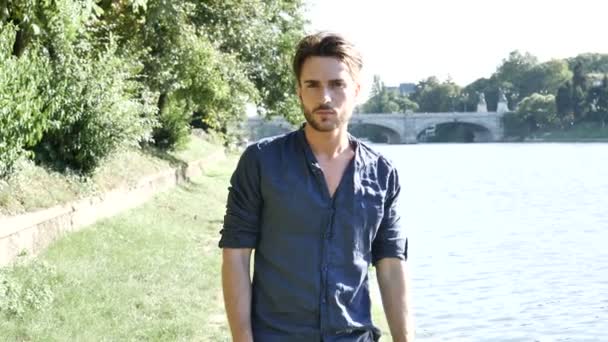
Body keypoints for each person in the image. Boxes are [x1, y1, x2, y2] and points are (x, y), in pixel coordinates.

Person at [219, 31, 413, 342]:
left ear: (357, 90)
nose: (325, 98)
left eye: (337, 85)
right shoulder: (260, 163)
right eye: (313, 85)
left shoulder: (381, 173)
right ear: (299, 91)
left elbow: (391, 268)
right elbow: (236, 257)